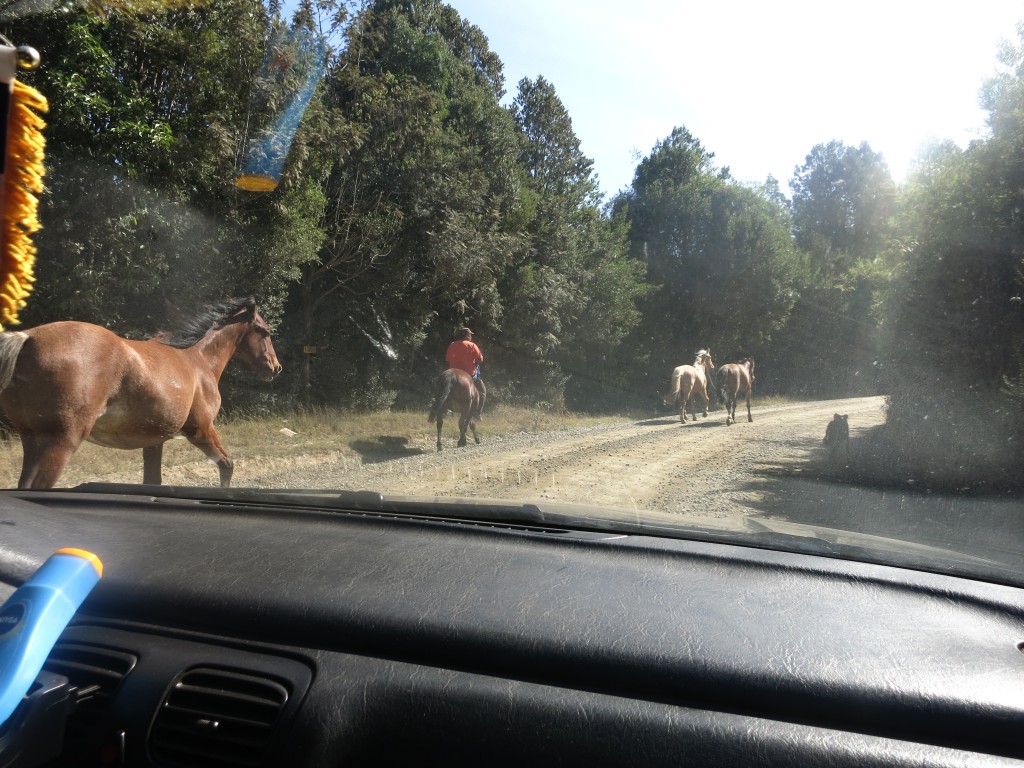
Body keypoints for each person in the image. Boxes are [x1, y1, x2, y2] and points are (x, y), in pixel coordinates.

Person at [445, 327, 486, 417]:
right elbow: (480, 359)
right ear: (467, 336)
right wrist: (475, 363)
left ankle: (446, 409)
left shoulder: (452, 345)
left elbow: (447, 360)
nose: (471, 336)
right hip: (469, 374)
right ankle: (478, 413)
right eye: (470, 335)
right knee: (482, 391)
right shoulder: (472, 345)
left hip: (453, 374)